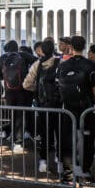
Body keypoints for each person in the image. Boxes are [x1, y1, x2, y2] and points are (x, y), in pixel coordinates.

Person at [56, 36, 95, 183]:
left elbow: (57, 86)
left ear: (71, 46)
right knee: (88, 139)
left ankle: (68, 174)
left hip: (67, 108)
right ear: (84, 47)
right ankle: (85, 171)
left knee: (67, 140)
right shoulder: (90, 65)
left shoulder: (63, 65)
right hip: (87, 109)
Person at [23, 40, 62, 173]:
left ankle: (43, 162)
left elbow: (26, 85)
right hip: (59, 105)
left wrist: (37, 91)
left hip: (43, 105)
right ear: (54, 49)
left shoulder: (37, 65)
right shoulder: (60, 63)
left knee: (45, 134)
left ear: (42, 50)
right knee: (60, 132)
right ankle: (59, 159)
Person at [0, 40, 37, 152]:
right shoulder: (23, 55)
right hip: (24, 90)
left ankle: (14, 136)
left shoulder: (2, 58)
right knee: (21, 114)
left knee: (13, 113)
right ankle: (18, 141)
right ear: (17, 47)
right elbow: (37, 63)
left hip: (9, 91)